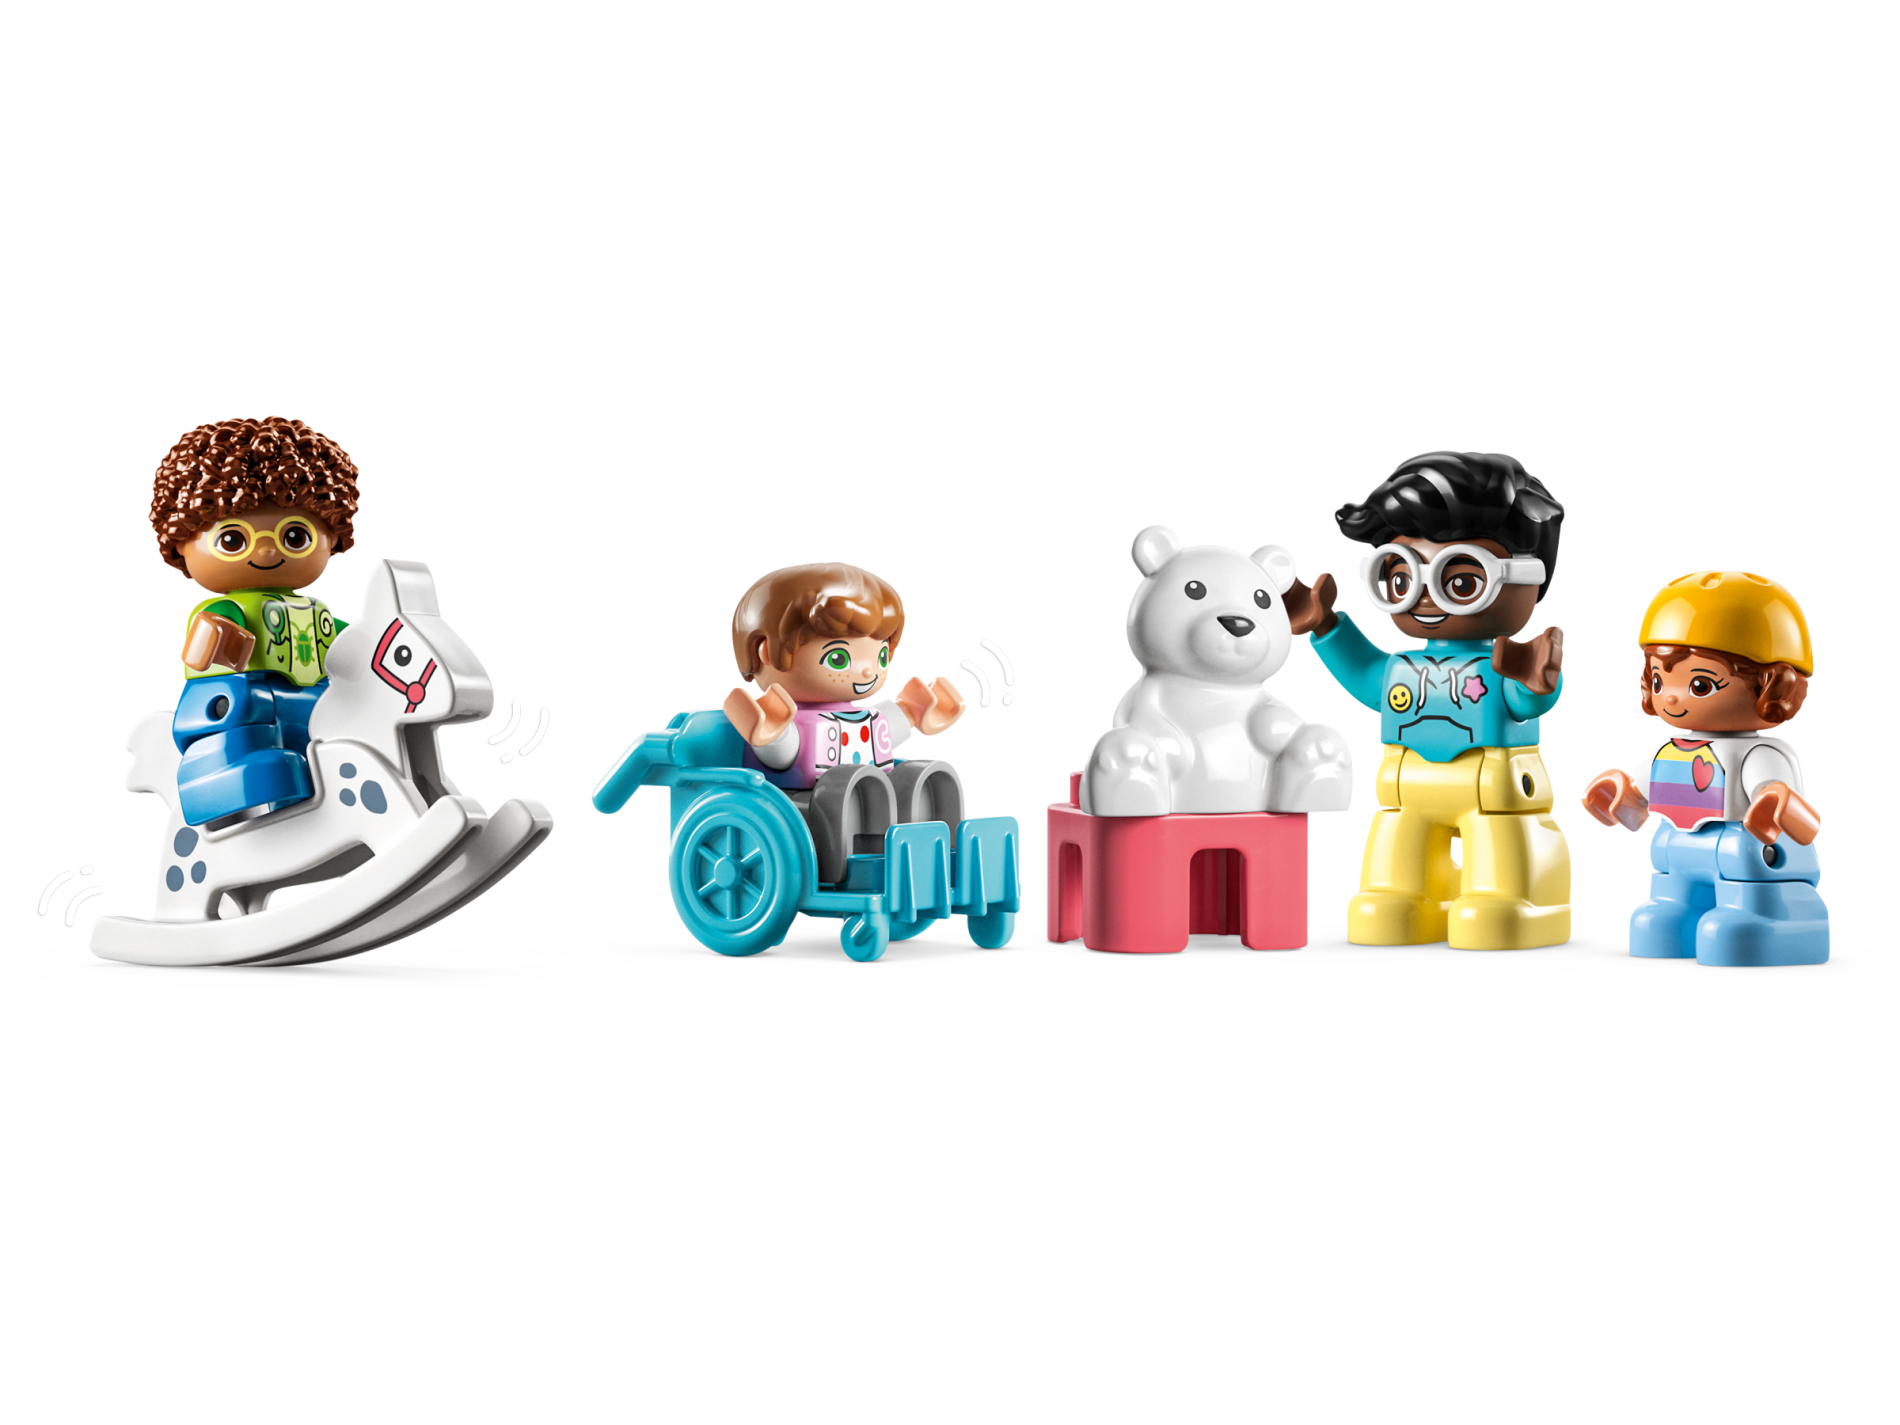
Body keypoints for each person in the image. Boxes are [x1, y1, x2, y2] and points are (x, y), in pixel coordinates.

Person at [1284, 450, 1571, 949]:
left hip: (1491, 787)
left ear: (1529, 579)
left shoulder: (1502, 663)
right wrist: (1325, 628)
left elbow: (1521, 701)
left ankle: (1508, 899)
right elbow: (1365, 674)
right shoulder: (1401, 668)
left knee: (1499, 844)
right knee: (1397, 844)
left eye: (1461, 581)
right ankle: (1401, 894)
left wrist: (1536, 683)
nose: (1425, 596)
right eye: (1400, 578)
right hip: (1406, 786)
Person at [1580, 569, 1827, 965]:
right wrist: (1620, 797)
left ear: (1773, 685)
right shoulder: (1668, 749)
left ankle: (1759, 918)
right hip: (1676, 849)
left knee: (1737, 907)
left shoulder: (1760, 754)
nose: (1672, 697)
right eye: (1659, 680)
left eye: (1700, 685)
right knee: (1662, 913)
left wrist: (1775, 804)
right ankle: (1677, 912)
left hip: (1743, 849)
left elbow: (1782, 800)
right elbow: (1641, 800)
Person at [149, 414, 362, 826]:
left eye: (294, 537)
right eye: (233, 540)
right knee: (252, 732)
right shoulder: (224, 611)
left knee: (346, 731)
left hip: (317, 700)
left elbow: (354, 648)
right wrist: (221, 641)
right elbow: (199, 655)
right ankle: (231, 788)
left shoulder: (318, 613)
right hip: (244, 699)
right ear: (182, 543)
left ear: (332, 535)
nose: (266, 551)